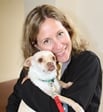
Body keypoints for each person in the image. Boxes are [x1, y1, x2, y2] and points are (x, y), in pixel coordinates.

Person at [6, 4, 102, 112]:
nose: (58, 46)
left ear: (68, 30)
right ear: (36, 46)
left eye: (60, 34)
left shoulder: (88, 62)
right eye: (46, 41)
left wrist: (27, 87)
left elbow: (67, 110)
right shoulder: (32, 66)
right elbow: (13, 104)